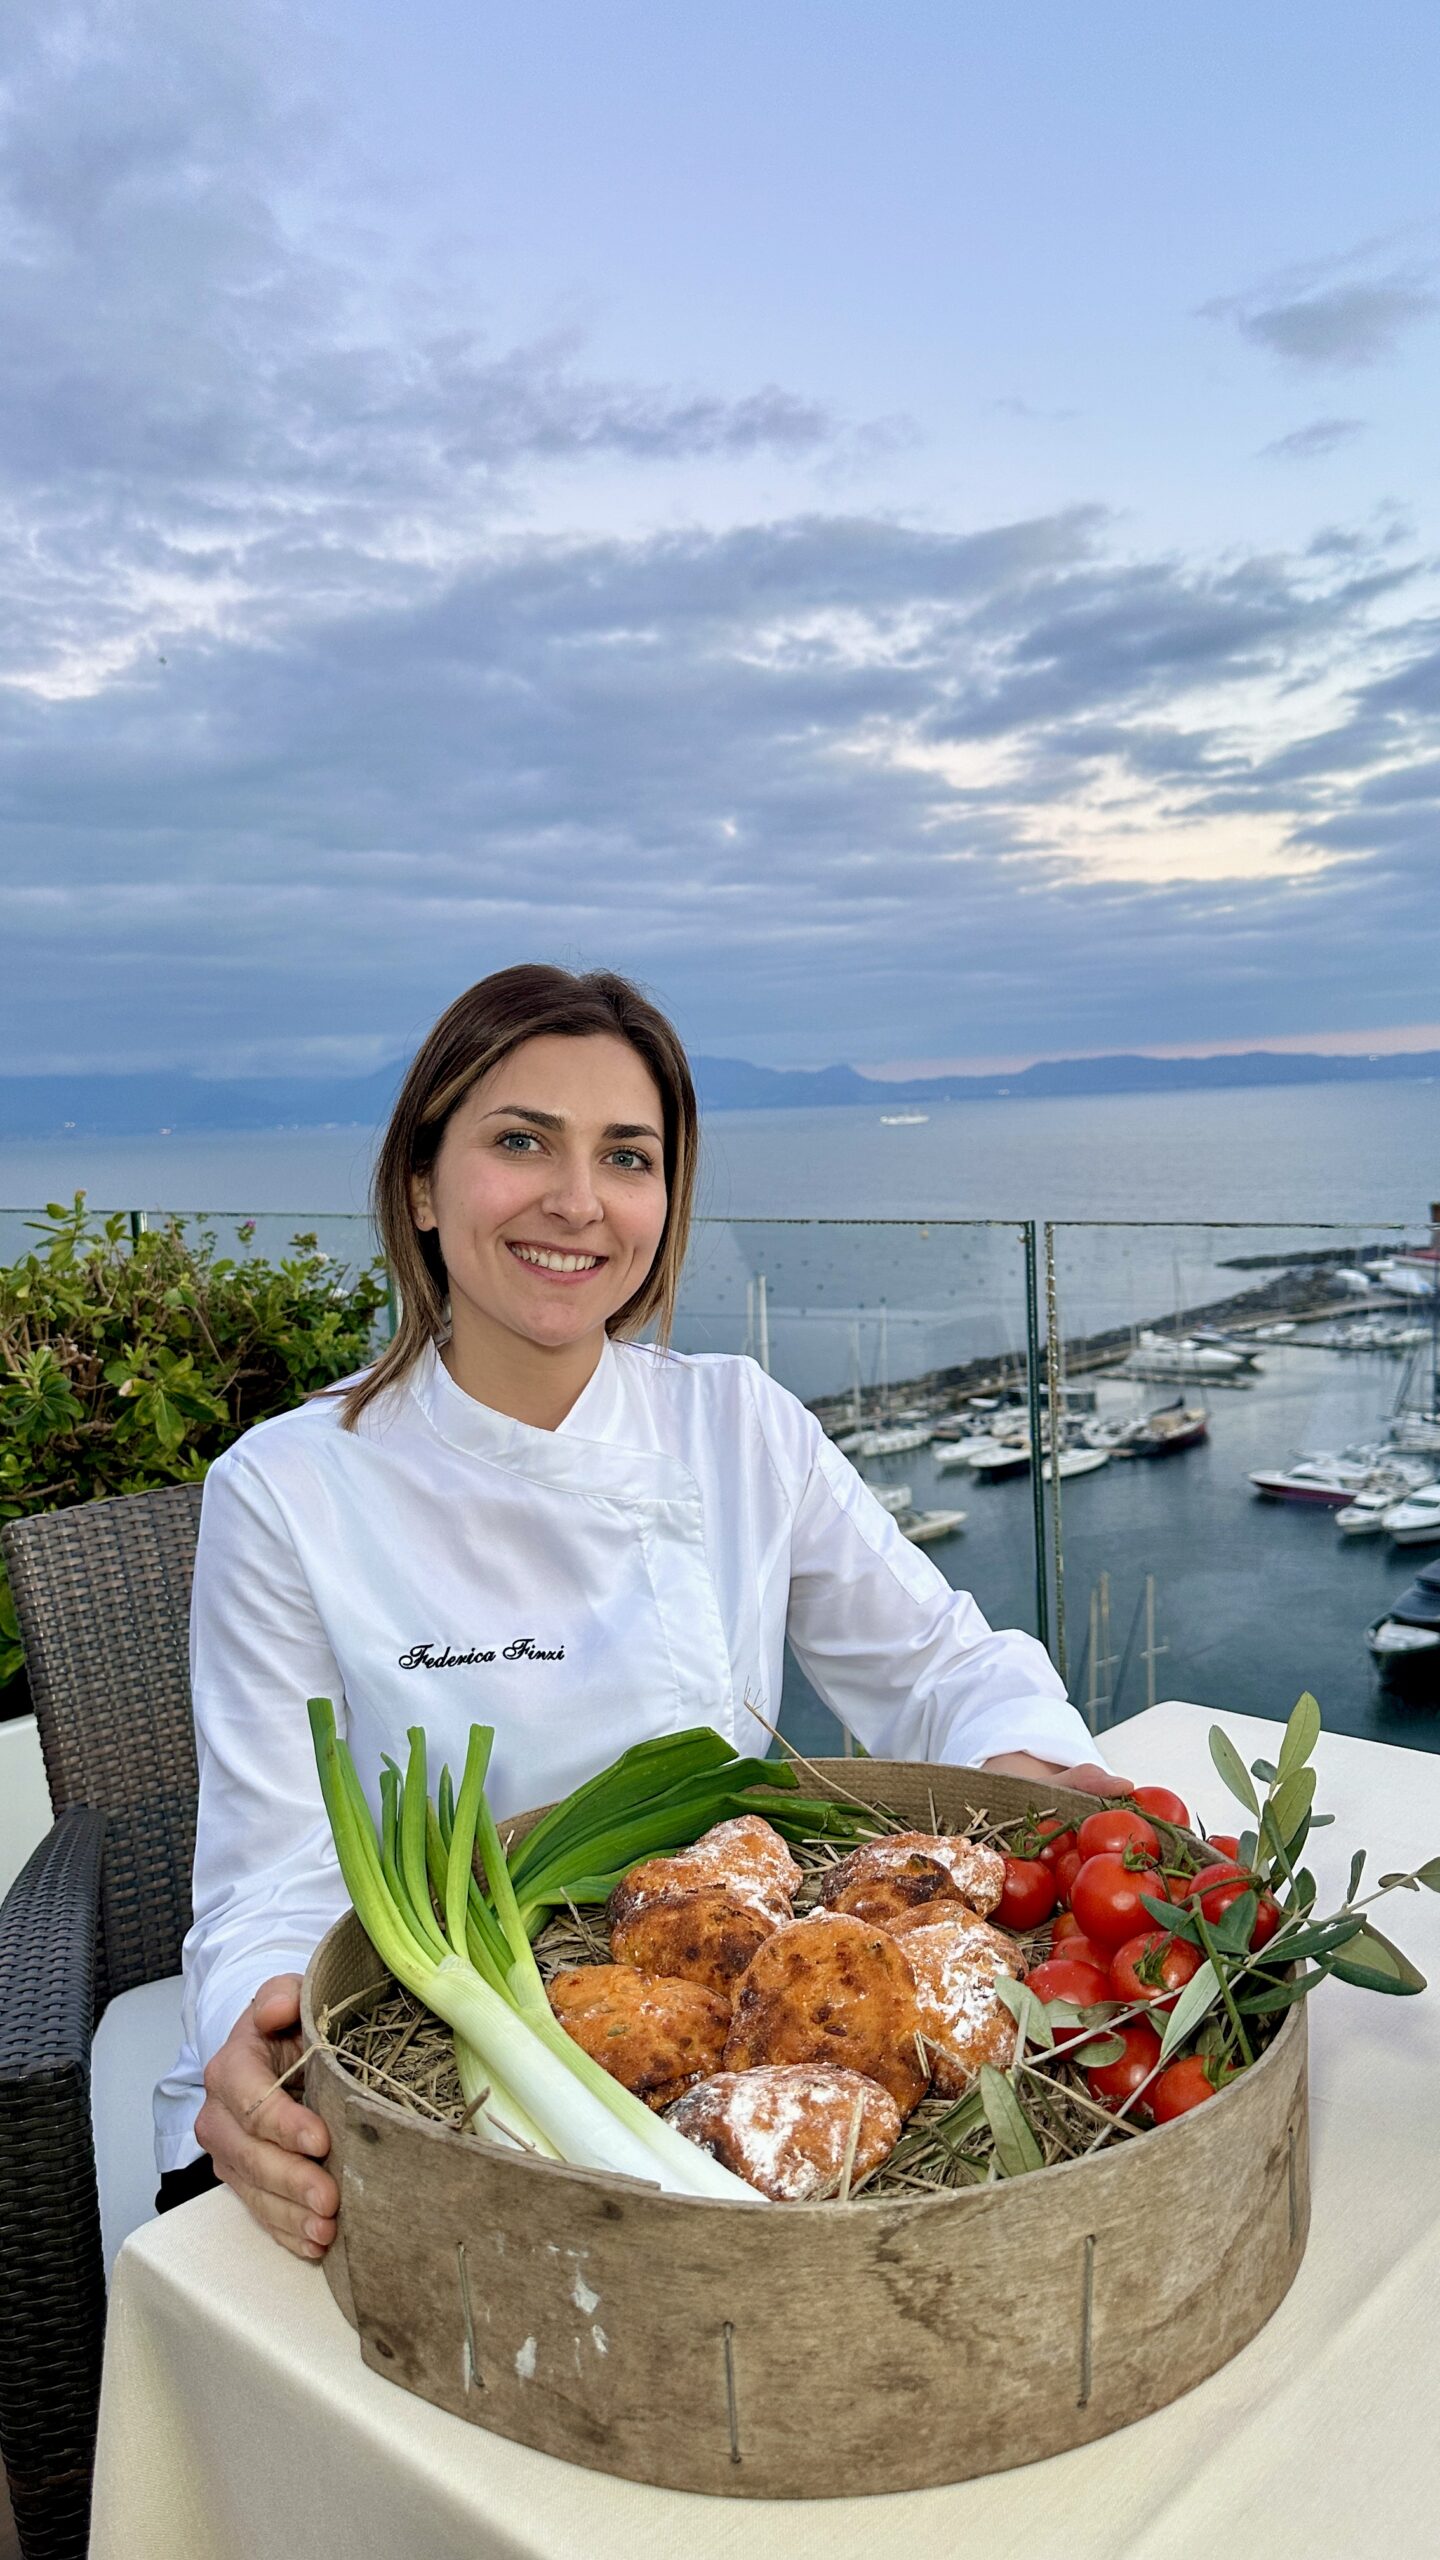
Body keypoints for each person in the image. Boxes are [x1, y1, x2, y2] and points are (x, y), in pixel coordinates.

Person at [157, 964, 1122, 2259]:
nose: (577, 1200)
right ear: (423, 1185)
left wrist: (1054, 1802)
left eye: (628, 1156)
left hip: (744, 2031)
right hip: (458, 2053)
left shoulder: (737, 1422)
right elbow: (276, 1874)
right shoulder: (287, 1490)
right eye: (520, 1142)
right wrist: (263, 2033)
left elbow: (940, 1661)